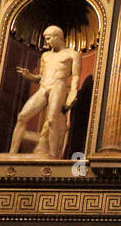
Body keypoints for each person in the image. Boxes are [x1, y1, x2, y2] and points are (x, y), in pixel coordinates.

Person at [8, 25, 80, 158]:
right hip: (43, 87)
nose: (47, 42)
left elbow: (75, 76)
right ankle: (12, 153)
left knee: (52, 119)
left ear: (58, 37)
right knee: (22, 116)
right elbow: (41, 76)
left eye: (48, 39)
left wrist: (73, 92)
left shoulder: (72, 54)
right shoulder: (45, 55)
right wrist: (29, 76)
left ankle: (52, 155)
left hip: (58, 86)